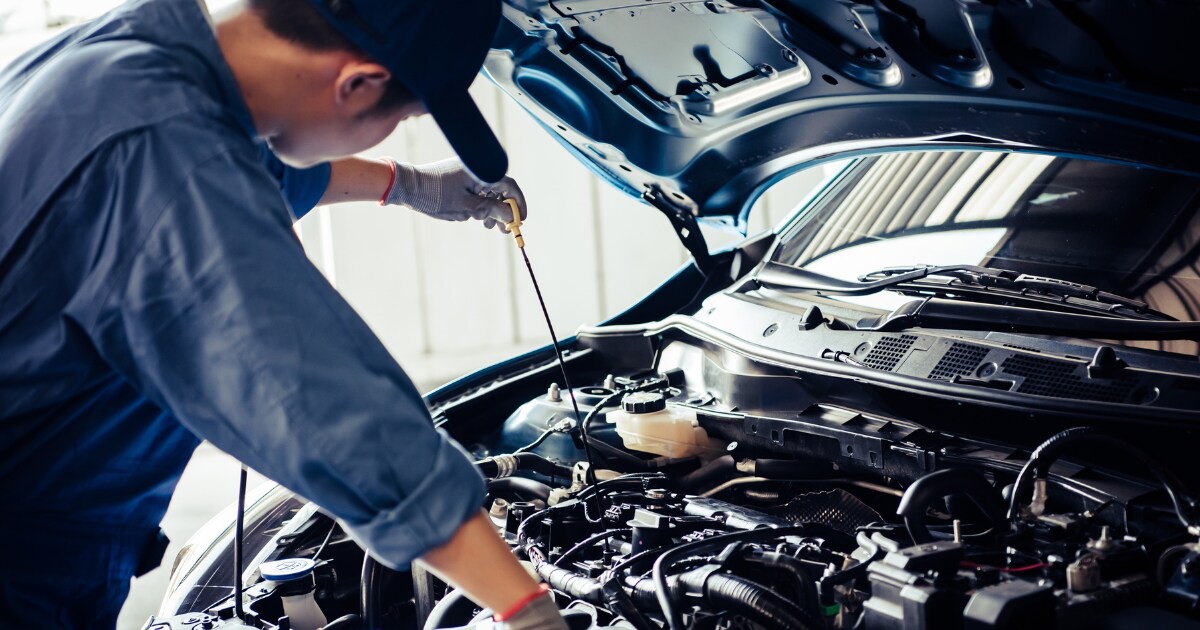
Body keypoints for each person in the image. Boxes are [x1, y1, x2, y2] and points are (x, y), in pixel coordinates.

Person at [0, 0, 566, 628]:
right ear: (355, 84)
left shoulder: (134, 50)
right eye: (405, 115)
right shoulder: (165, 157)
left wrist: (409, 184)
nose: (398, 129)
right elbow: (325, 408)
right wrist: (526, 607)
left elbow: (242, 161)